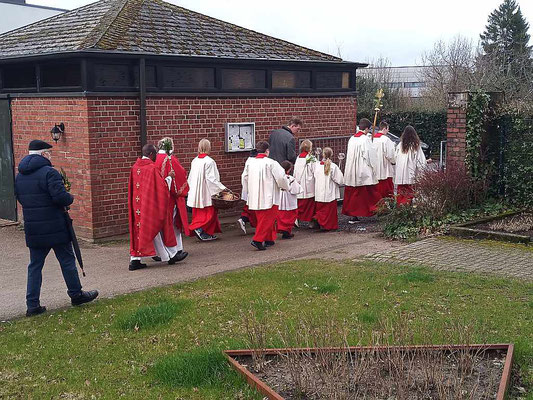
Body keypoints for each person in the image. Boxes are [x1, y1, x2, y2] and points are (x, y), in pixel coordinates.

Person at [15, 139, 98, 316]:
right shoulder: (50, 173)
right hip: (55, 226)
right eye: (49, 153)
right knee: (67, 261)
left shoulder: (20, 176)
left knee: (35, 266)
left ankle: (32, 304)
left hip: (33, 228)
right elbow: (60, 198)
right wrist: (70, 197)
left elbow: (21, 198)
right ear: (44, 154)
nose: (51, 156)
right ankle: (76, 294)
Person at [128, 144, 187, 271]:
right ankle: (171, 255)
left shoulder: (135, 167)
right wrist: (170, 177)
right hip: (149, 206)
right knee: (159, 228)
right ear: (150, 154)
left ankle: (135, 260)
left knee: (139, 231)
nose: (156, 157)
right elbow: (162, 187)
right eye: (154, 154)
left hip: (138, 206)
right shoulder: (151, 168)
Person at [242, 141, 289, 250]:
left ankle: (269, 238)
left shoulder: (250, 163)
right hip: (269, 195)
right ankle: (257, 240)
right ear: (267, 151)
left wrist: (248, 191)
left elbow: (244, 177)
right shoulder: (271, 163)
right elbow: (281, 178)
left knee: (262, 218)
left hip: (255, 195)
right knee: (268, 219)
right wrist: (285, 187)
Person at [154, 137, 190, 261]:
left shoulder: (154, 158)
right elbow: (180, 175)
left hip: (156, 197)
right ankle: (176, 250)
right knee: (173, 224)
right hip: (170, 197)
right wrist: (183, 191)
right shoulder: (170, 159)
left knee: (160, 225)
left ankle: (161, 252)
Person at [187, 139, 227, 241]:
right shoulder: (210, 161)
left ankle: (204, 232)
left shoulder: (195, 160)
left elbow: (190, 176)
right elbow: (211, 179)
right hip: (206, 191)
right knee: (209, 212)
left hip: (196, 190)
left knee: (198, 212)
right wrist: (222, 188)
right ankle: (199, 229)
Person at [342, 118, 380, 223]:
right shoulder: (365, 139)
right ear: (367, 128)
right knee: (367, 192)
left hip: (352, 169)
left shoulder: (352, 138)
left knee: (353, 193)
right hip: (362, 169)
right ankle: (374, 210)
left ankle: (353, 215)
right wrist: (374, 167)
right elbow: (369, 156)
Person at [394, 125, 427, 205]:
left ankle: (400, 206)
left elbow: (395, 158)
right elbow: (421, 161)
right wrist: (421, 172)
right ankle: (407, 206)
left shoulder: (400, 145)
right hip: (410, 172)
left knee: (401, 190)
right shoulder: (415, 145)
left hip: (400, 173)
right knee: (409, 190)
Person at [313, 147, 344, 231]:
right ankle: (328, 225)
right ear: (331, 155)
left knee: (320, 209)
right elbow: (340, 180)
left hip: (319, 191)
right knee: (329, 211)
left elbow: (315, 176)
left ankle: (319, 221)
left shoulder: (317, 165)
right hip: (329, 192)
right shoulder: (333, 166)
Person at [293, 139, 317, 226]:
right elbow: (315, 170)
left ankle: (296, 219)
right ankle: (311, 222)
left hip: (299, 182)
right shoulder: (311, 158)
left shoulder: (298, 157)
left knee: (299, 203)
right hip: (308, 184)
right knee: (310, 204)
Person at [277, 161, 303, 239]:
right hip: (289, 198)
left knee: (281, 214)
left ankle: (281, 228)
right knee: (290, 214)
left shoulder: (278, 178)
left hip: (280, 198)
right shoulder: (290, 179)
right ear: (288, 170)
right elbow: (296, 190)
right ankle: (287, 231)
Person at [372, 121, 396, 200]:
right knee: (386, 189)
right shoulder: (386, 140)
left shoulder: (372, 139)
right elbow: (390, 154)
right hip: (384, 167)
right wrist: (393, 161)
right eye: (388, 129)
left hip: (374, 167)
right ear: (384, 128)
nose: (388, 131)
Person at [237, 149, 258, 234]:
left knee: (249, 206)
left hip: (248, 187)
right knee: (253, 208)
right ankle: (243, 219)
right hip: (254, 188)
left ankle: (243, 220)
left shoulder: (249, 161)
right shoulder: (255, 163)